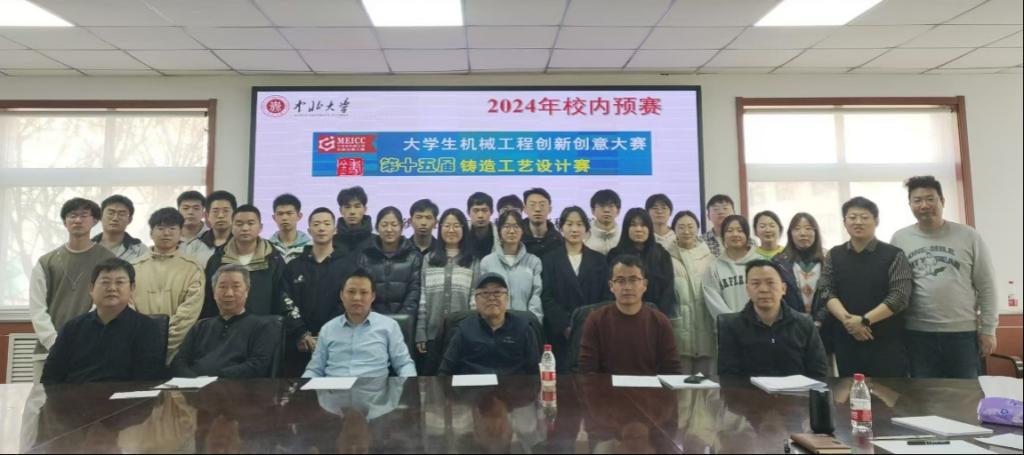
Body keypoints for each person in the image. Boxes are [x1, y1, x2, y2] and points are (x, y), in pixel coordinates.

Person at [891, 176, 997, 379]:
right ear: (910, 204)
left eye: (930, 199)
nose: (924, 205)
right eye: (917, 200)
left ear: (942, 201)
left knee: (965, 393)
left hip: (962, 334)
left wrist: (989, 329)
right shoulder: (900, 239)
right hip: (917, 335)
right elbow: (895, 287)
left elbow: (987, 286)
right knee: (924, 393)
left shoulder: (968, 236)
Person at [819, 197, 912, 378]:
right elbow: (826, 290)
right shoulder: (834, 255)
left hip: (886, 341)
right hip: (847, 339)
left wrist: (864, 321)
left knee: (889, 392)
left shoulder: (894, 254)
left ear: (876, 221)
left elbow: (900, 296)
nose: (858, 222)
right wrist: (850, 322)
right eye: (852, 217)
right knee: (850, 391)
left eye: (864, 217)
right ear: (844, 222)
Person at [201, 205, 313, 355]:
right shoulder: (217, 260)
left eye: (250, 223)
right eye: (239, 224)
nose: (245, 228)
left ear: (260, 227)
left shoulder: (273, 260)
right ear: (232, 227)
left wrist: (298, 330)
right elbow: (208, 299)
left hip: (262, 333)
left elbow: (283, 297)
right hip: (224, 334)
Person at [41, 259, 164, 384]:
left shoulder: (147, 328)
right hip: (75, 394)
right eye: (105, 282)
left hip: (125, 395)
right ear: (91, 288)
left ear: (132, 288)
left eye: (120, 282)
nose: (112, 288)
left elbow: (148, 380)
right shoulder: (72, 328)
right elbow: (50, 376)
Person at [30, 198, 115, 379]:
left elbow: (106, 302)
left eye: (84, 215)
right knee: (44, 396)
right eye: (72, 216)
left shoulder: (108, 259)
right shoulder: (46, 261)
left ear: (94, 221)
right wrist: (54, 343)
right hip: (48, 351)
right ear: (64, 222)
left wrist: (83, 340)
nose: (78, 220)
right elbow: (37, 309)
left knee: (91, 397)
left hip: (92, 348)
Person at [717, 260, 829, 379]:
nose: (763, 289)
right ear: (747, 290)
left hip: (796, 390)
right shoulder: (732, 326)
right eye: (756, 283)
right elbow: (728, 376)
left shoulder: (804, 323)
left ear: (783, 288)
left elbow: (818, 373)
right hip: (748, 391)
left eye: (770, 283)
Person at [577, 255, 682, 375]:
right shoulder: (596, 320)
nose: (627, 287)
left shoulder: (660, 322)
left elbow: (672, 370)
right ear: (611, 286)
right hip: (607, 386)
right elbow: (587, 371)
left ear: (644, 285)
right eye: (620, 281)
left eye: (633, 280)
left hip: (649, 386)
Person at [303, 269, 417, 378]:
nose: (357, 298)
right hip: (334, 389)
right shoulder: (328, 329)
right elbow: (315, 369)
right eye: (351, 292)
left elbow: (404, 364)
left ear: (372, 296)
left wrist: (408, 387)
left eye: (363, 292)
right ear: (341, 295)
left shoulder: (389, 326)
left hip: (374, 389)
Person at [171, 264, 279, 378]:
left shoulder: (262, 326)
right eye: (222, 287)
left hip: (236, 386)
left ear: (247, 291)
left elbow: (258, 365)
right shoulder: (200, 326)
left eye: (236, 287)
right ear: (214, 292)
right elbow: (179, 361)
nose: (229, 293)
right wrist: (194, 380)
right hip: (193, 385)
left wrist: (216, 377)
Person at [131, 207, 205, 364]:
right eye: (160, 228)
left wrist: (162, 344)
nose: (166, 233)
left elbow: (188, 315)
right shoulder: (133, 268)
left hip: (178, 352)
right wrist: (142, 341)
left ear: (181, 232)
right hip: (136, 349)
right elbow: (128, 307)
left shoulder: (192, 268)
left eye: (172, 228)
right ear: (151, 233)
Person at [541, 206, 610, 372]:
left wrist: (589, 324)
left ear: (586, 229)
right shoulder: (549, 260)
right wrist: (565, 325)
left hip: (593, 330)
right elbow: (546, 296)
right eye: (569, 224)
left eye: (579, 224)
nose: (574, 229)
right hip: (560, 333)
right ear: (561, 228)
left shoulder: (599, 260)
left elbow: (606, 296)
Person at [438, 273, 541, 376]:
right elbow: (445, 371)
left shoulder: (523, 328)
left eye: (497, 292)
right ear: (476, 300)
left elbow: (536, 371)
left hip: (513, 385)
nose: (491, 298)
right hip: (473, 385)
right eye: (485, 293)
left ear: (507, 298)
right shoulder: (464, 328)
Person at [285, 208, 348, 372]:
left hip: (338, 340)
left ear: (335, 229)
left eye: (327, 224)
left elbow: (348, 302)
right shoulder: (294, 266)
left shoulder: (348, 265)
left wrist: (326, 333)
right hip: (300, 344)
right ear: (309, 230)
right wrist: (301, 333)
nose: (321, 228)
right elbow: (285, 299)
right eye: (316, 224)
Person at [416, 209, 480, 371]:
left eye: (456, 226)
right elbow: (423, 297)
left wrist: (474, 332)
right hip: (432, 333)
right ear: (440, 228)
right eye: (447, 226)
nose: (451, 230)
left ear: (464, 229)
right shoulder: (429, 259)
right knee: (432, 381)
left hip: (463, 335)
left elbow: (474, 300)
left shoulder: (472, 261)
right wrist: (421, 331)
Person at [665, 211, 715, 374]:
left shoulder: (710, 259)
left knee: (707, 383)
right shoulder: (666, 258)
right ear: (674, 230)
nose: (686, 231)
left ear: (698, 229)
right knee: (680, 384)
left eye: (690, 226)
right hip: (678, 330)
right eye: (681, 227)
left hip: (706, 329)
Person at [607, 208, 676, 317]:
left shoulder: (661, 254)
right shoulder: (614, 255)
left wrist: (659, 317)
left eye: (643, 225)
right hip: (621, 315)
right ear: (626, 228)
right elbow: (610, 290)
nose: (639, 229)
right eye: (633, 225)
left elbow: (668, 291)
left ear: (650, 228)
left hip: (656, 316)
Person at [356, 206, 422, 316]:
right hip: (372, 320)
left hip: (404, 320)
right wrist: (374, 317)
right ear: (377, 228)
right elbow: (362, 290)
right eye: (384, 225)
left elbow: (414, 292)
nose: (389, 229)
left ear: (401, 227)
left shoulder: (413, 257)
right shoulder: (366, 256)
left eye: (394, 225)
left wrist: (402, 318)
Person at [480, 210, 544, 321]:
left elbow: (536, 296)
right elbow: (482, 295)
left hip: (525, 324)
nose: (511, 231)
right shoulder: (487, 262)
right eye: (506, 226)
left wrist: (533, 323)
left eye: (516, 226)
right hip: (493, 324)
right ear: (499, 231)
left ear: (522, 231)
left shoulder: (533, 261)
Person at [703, 215, 764, 321]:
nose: (735, 234)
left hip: (759, 323)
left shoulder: (760, 262)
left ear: (747, 235)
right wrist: (734, 322)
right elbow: (713, 301)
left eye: (740, 230)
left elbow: (767, 294)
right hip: (729, 326)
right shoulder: (714, 267)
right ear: (723, 236)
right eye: (729, 230)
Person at [773, 213, 827, 316]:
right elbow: (776, 297)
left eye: (808, 228)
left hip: (824, 323)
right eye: (797, 229)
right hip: (790, 322)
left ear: (815, 232)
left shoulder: (827, 260)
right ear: (790, 234)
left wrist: (820, 320)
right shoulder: (779, 262)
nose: (803, 233)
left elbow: (832, 295)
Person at [181, 190, 236, 268]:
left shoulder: (242, 243)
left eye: (226, 211)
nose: (220, 215)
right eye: (215, 211)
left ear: (234, 215)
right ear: (207, 216)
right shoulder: (195, 245)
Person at [92, 194, 146, 262]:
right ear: (100, 216)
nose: (115, 218)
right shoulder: (87, 246)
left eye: (121, 214)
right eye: (110, 213)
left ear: (130, 220)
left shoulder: (140, 250)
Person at [269, 193, 311, 264]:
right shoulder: (267, 248)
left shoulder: (310, 247)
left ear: (299, 216)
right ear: (274, 217)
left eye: (289, 213)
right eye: (280, 214)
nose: (284, 218)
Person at [333, 186, 374, 257]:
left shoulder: (376, 242)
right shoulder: (331, 242)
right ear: (340, 210)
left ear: (365, 209)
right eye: (347, 207)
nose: (352, 212)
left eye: (357, 206)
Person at [522, 188, 563, 259]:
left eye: (542, 205)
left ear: (550, 209)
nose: (537, 209)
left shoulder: (558, 240)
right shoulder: (517, 238)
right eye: (532, 205)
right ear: (525, 209)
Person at [586, 189, 622, 255]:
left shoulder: (623, 236)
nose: (606, 210)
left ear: (618, 211)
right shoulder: (584, 235)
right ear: (593, 210)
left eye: (611, 206)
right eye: (601, 206)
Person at [467, 192, 499, 259]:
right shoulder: (462, 233)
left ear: (492, 212)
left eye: (484, 210)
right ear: (468, 212)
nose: (480, 215)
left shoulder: (500, 235)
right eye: (476, 211)